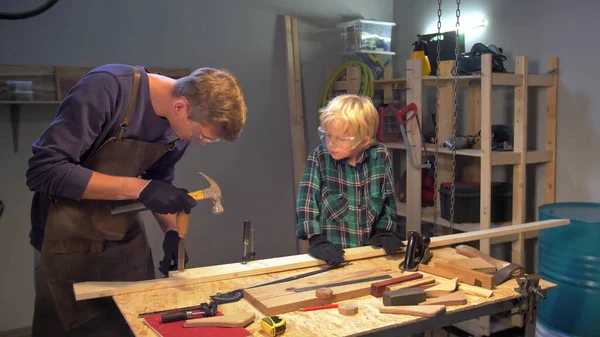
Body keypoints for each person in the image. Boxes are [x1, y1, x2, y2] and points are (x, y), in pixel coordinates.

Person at [25, 64, 247, 337]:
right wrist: (142, 188)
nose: (198, 142)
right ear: (181, 107)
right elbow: (45, 171)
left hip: (121, 238)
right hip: (65, 239)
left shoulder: (179, 129)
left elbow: (158, 182)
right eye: (200, 135)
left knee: (133, 327)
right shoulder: (107, 89)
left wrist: (171, 234)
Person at [296, 94, 404, 266]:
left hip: (368, 255)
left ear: (364, 141)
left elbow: (388, 201)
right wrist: (316, 240)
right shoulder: (320, 158)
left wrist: (383, 231)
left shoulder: (380, 156)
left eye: (339, 138)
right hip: (331, 257)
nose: (331, 143)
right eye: (328, 135)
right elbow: (306, 203)